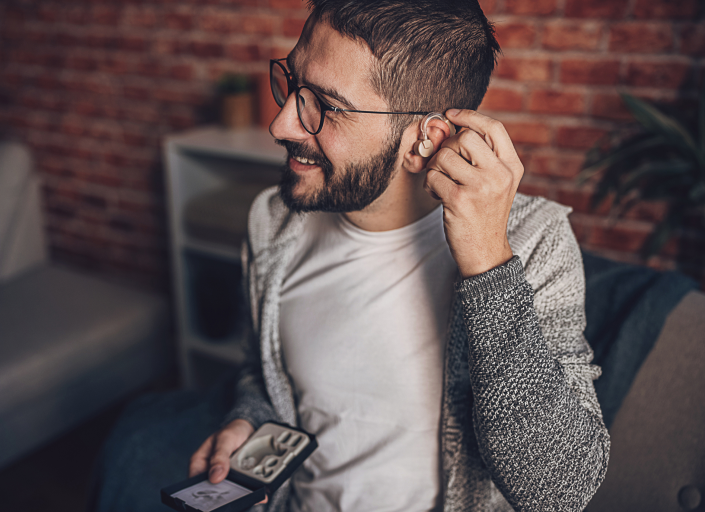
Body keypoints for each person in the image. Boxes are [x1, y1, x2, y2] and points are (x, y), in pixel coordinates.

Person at [186, 1, 610, 511]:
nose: (280, 125)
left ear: (423, 141)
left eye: (325, 105)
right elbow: (264, 369)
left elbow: (559, 491)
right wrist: (249, 420)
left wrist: (489, 263)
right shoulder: (272, 220)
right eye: (293, 84)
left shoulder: (535, 241)